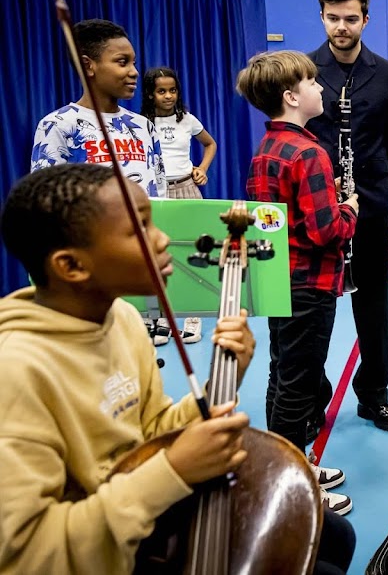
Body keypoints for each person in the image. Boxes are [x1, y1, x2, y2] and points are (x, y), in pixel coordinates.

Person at [0, 163, 355, 575]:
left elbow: (152, 428)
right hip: (109, 548)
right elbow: (27, 555)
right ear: (72, 266)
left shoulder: (121, 317)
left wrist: (221, 382)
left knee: (334, 535)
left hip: (144, 504)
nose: (163, 239)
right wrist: (172, 471)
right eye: (139, 230)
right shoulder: (17, 372)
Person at [239, 51, 359, 515]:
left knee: (283, 374)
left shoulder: (268, 148)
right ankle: (290, 483)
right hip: (310, 284)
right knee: (299, 385)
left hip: (281, 281)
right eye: (312, 82)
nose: (321, 88)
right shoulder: (310, 153)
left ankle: (287, 463)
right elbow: (325, 230)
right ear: (292, 97)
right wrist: (350, 208)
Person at [307, 0, 388, 434]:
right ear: (322, 17)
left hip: (368, 206)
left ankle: (373, 396)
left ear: (366, 18)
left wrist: (367, 181)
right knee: (313, 308)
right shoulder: (302, 69)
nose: (342, 27)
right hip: (317, 207)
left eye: (351, 18)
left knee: (373, 306)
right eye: (333, 18)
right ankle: (312, 399)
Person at [30, 19, 166, 198]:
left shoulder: (144, 126)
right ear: (88, 66)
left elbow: (161, 191)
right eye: (122, 62)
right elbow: (45, 199)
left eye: (134, 62)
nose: (134, 72)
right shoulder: (57, 125)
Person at [142, 66, 218, 345]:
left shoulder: (187, 120)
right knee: (156, 256)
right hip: (157, 194)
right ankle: (159, 318)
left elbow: (210, 144)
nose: (168, 96)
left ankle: (192, 318)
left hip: (187, 189)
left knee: (193, 253)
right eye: (161, 91)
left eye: (172, 90)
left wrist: (202, 169)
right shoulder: (140, 123)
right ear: (150, 94)